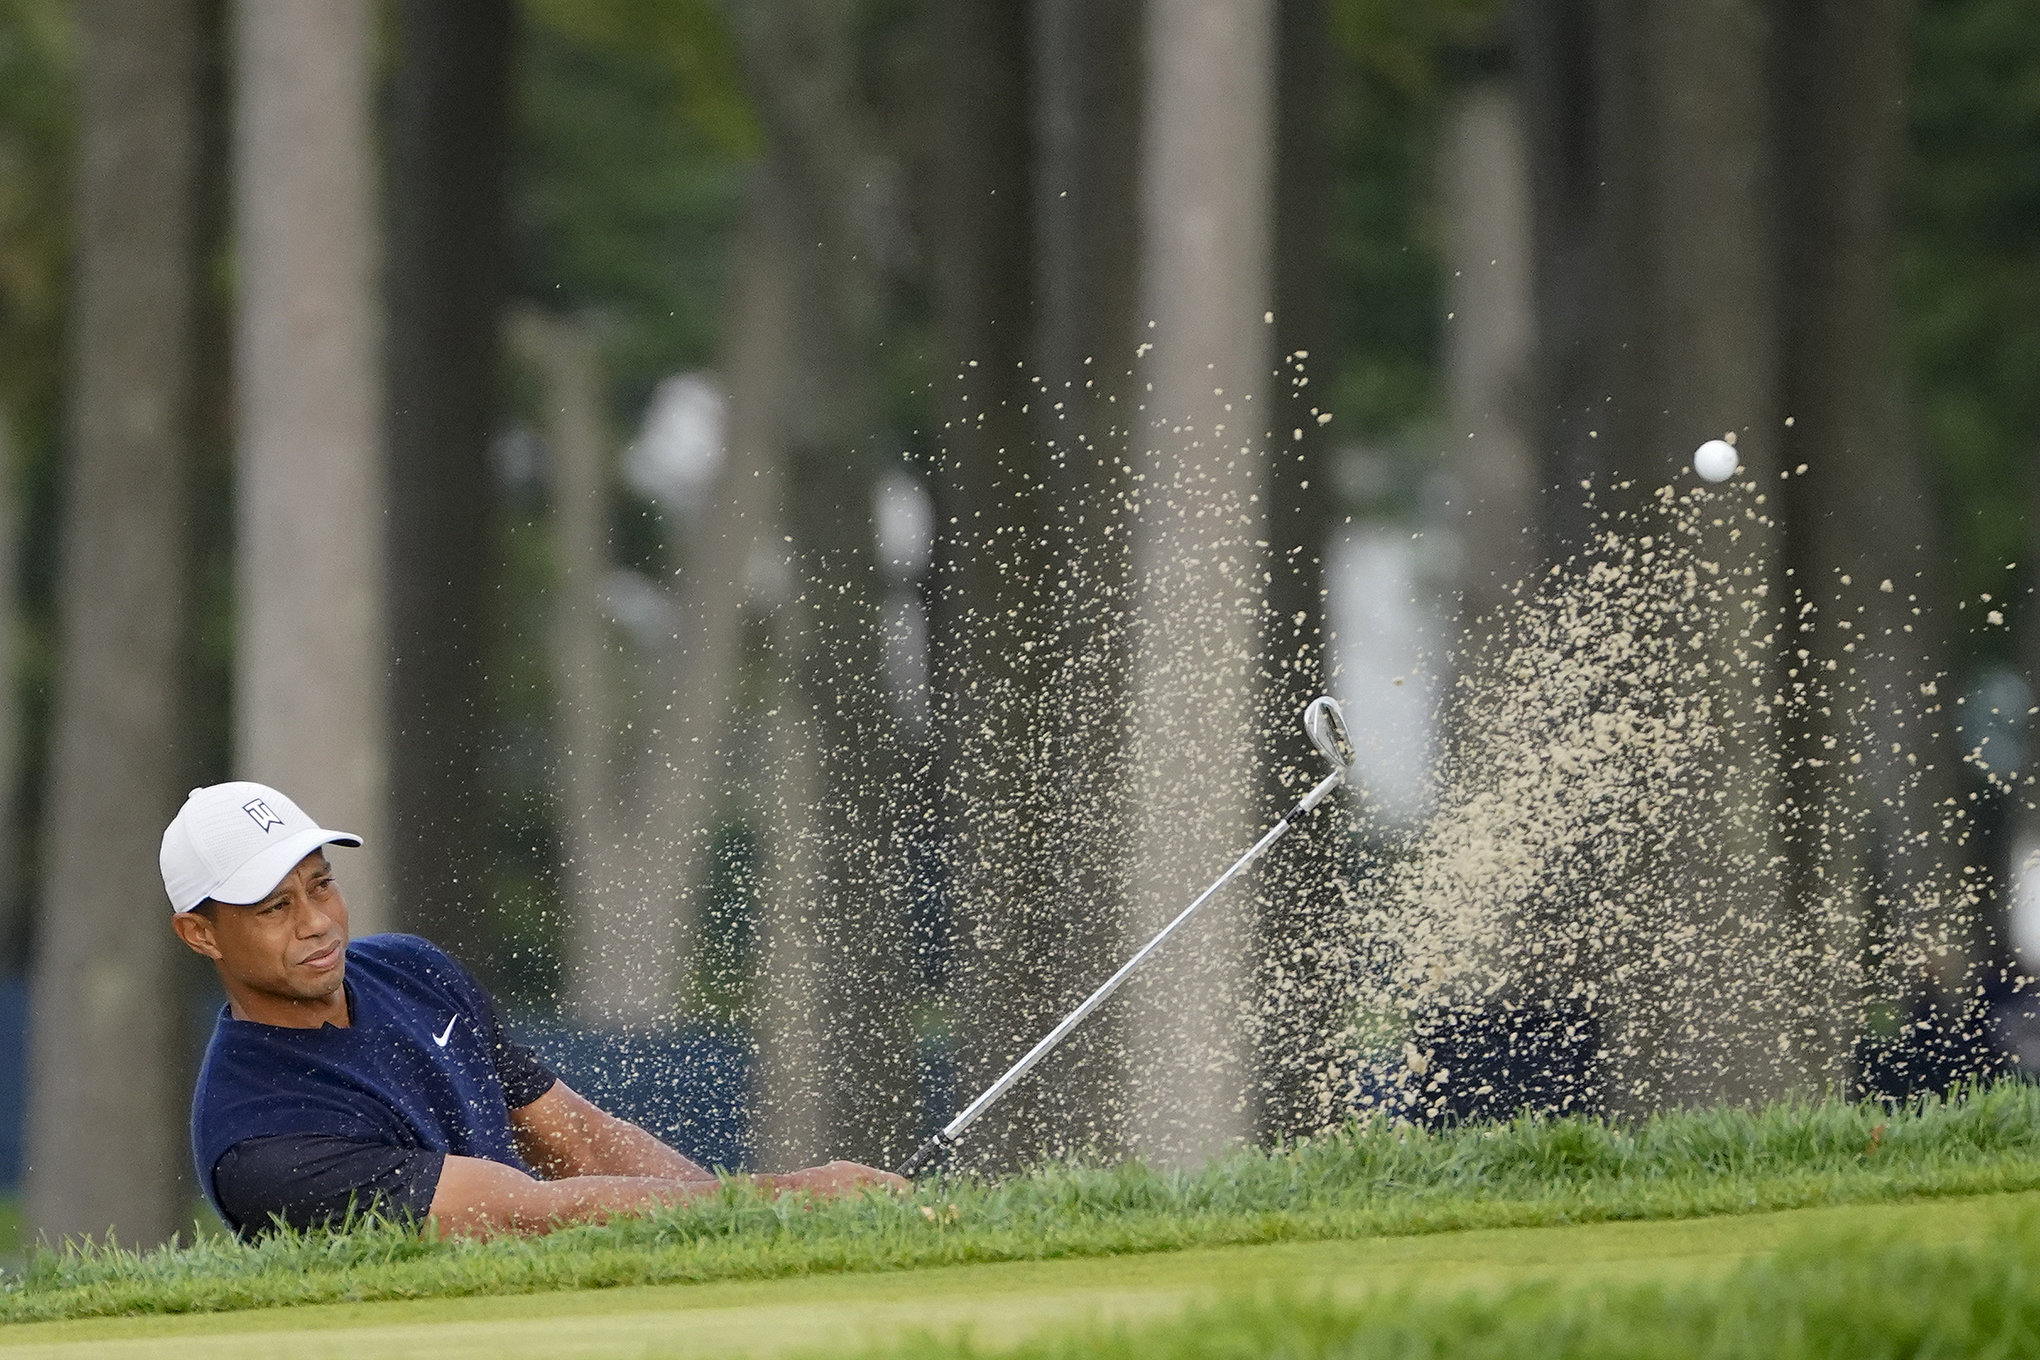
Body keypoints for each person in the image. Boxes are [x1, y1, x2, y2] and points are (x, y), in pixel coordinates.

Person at [164, 780, 904, 1240]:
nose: (318, 922)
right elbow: (529, 1218)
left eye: (322, 885)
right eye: (275, 907)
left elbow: (581, 1144)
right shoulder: (259, 1142)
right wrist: (797, 1199)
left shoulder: (413, 970)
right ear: (201, 934)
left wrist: (751, 1220)